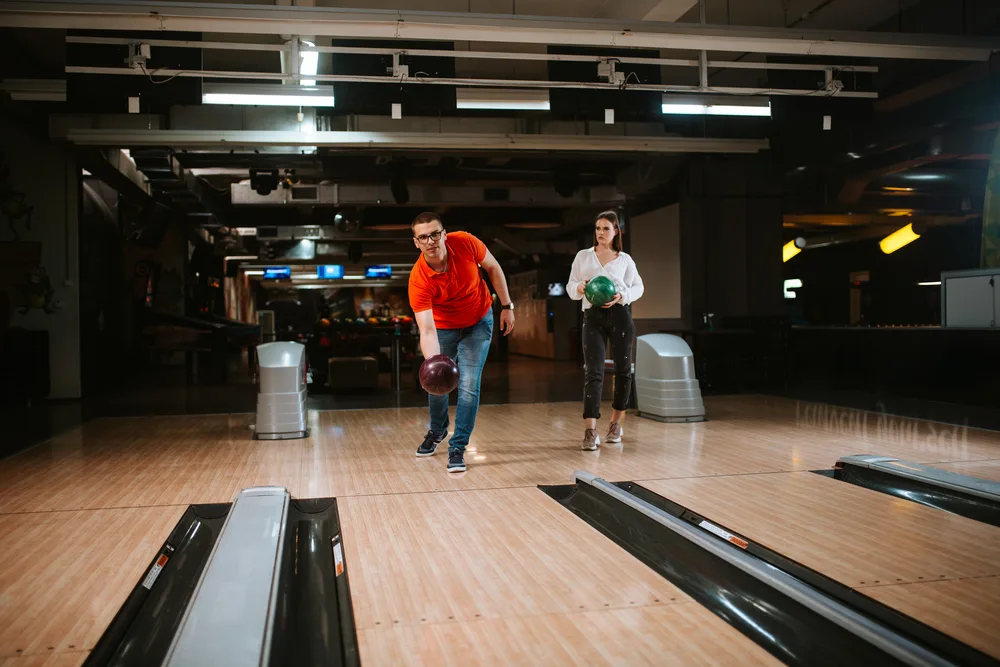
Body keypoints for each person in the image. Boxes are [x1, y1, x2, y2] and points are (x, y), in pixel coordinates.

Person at [408, 212, 515, 472]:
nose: (431, 241)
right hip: (442, 328)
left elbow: (493, 267)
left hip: (478, 321)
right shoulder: (418, 280)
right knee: (437, 383)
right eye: (424, 237)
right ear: (417, 243)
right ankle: (437, 431)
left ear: (444, 234)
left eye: (435, 234)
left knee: (468, 384)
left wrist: (507, 305)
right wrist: (434, 364)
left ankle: (458, 446)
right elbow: (427, 329)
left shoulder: (465, 242)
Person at [567, 210, 644, 451]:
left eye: (606, 229)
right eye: (598, 228)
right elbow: (571, 287)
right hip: (593, 316)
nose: (600, 233)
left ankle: (615, 425)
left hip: (620, 315)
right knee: (593, 371)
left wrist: (624, 295)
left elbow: (639, 286)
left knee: (623, 371)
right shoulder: (583, 257)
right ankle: (590, 431)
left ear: (615, 232)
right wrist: (580, 287)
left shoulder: (625, 260)